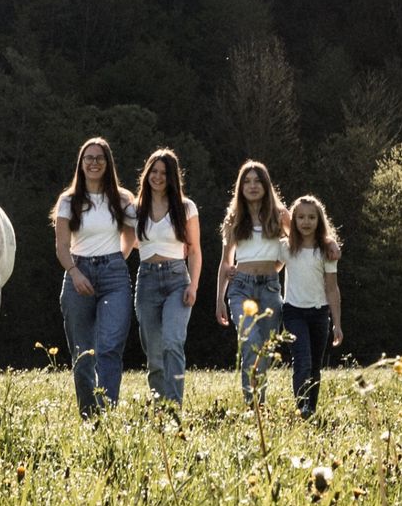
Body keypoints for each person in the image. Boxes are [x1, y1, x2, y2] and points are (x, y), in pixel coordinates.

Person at [52, 137, 137, 418]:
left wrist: (118, 259)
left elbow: (131, 233)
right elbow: (61, 246)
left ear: (108, 163)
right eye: (88, 158)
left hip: (114, 277)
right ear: (81, 163)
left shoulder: (122, 199)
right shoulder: (68, 201)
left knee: (110, 347)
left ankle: (107, 413)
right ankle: (89, 415)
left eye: (100, 158)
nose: (94, 162)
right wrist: (75, 273)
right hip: (78, 273)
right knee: (83, 353)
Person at [215, 161, 289, 405]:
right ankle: (252, 404)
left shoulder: (279, 215)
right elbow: (226, 261)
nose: (252, 186)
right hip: (240, 288)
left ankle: (260, 405)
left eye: (257, 181)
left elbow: (296, 245)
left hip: (270, 287)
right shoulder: (234, 218)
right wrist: (219, 300)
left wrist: (275, 267)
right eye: (247, 181)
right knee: (250, 343)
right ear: (240, 187)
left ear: (266, 185)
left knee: (265, 349)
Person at [131, 148, 200, 406]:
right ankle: (160, 409)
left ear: (172, 177)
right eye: (154, 171)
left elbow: (194, 250)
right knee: (154, 354)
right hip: (147, 281)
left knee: (172, 342)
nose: (158, 177)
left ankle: (174, 406)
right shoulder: (135, 209)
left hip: (177, 280)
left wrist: (193, 285)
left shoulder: (185, 207)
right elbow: (128, 242)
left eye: (164, 173)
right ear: (147, 174)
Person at [279, 196, 343, 419]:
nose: (306, 222)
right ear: (294, 220)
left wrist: (337, 324)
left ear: (319, 220)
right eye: (301, 217)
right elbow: (268, 267)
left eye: (311, 217)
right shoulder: (286, 248)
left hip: (319, 313)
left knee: (315, 365)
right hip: (293, 312)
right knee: (302, 361)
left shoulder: (326, 251)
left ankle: (311, 409)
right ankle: (302, 408)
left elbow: (332, 288)